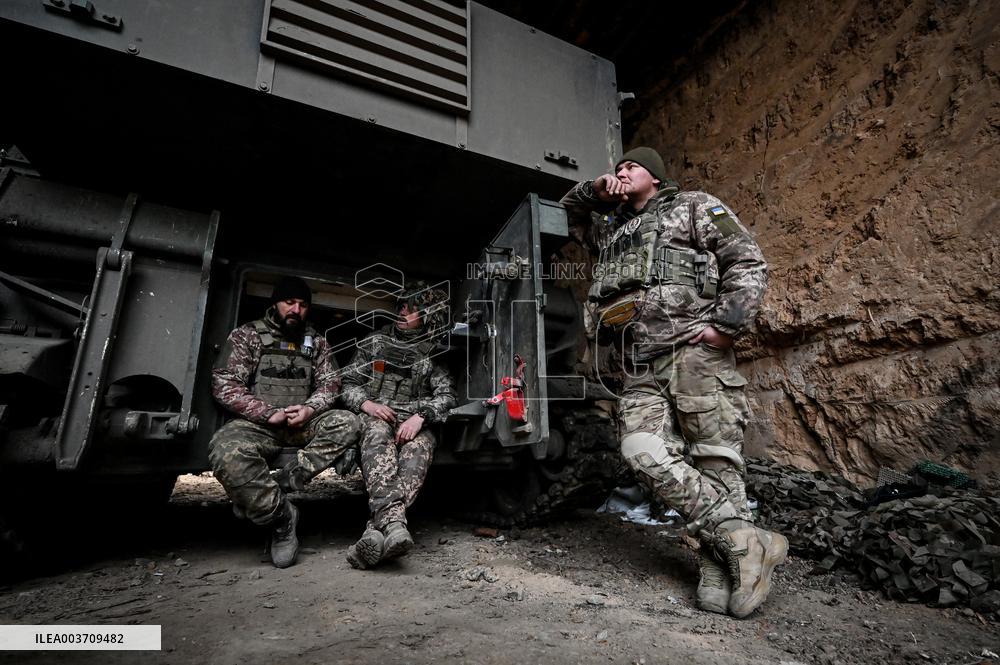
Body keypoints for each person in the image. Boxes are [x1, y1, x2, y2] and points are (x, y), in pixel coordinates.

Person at [560, 146, 787, 618]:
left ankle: (718, 563)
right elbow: (569, 209)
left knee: (715, 460)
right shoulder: (610, 230)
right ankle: (743, 540)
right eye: (618, 168)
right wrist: (596, 190)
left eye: (633, 167)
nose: (623, 171)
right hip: (637, 365)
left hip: (692, 351)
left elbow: (747, 262)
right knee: (641, 451)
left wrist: (724, 326)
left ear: (657, 179)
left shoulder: (694, 206)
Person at [208, 276, 360, 568]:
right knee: (225, 449)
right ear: (275, 303)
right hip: (260, 425)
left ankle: (291, 478)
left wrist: (309, 409)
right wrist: (266, 413)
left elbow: (330, 384)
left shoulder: (315, 342)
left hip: (300, 424)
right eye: (289, 302)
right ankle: (281, 518)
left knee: (348, 423)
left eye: (302, 305)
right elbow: (225, 383)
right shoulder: (248, 336)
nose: (296, 310)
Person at [339, 286, 456, 569]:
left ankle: (375, 533)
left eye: (411, 308)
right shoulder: (375, 342)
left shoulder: (433, 351)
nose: (402, 311)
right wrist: (367, 405)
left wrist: (421, 417)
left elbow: (447, 395)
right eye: (401, 305)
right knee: (377, 435)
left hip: (413, 423)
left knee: (419, 449)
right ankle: (393, 526)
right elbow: (347, 383)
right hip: (377, 417)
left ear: (427, 316)